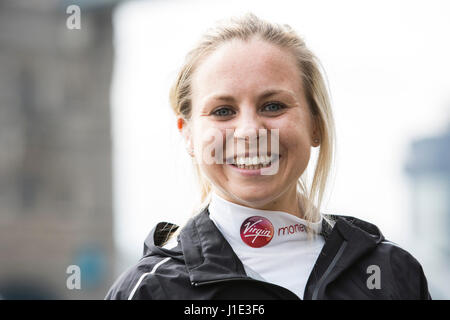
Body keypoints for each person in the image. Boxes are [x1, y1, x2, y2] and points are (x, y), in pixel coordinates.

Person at [105, 12, 431, 300]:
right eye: (223, 111)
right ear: (188, 133)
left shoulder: (391, 272)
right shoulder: (148, 290)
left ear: (316, 124)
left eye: (272, 106)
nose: (249, 131)